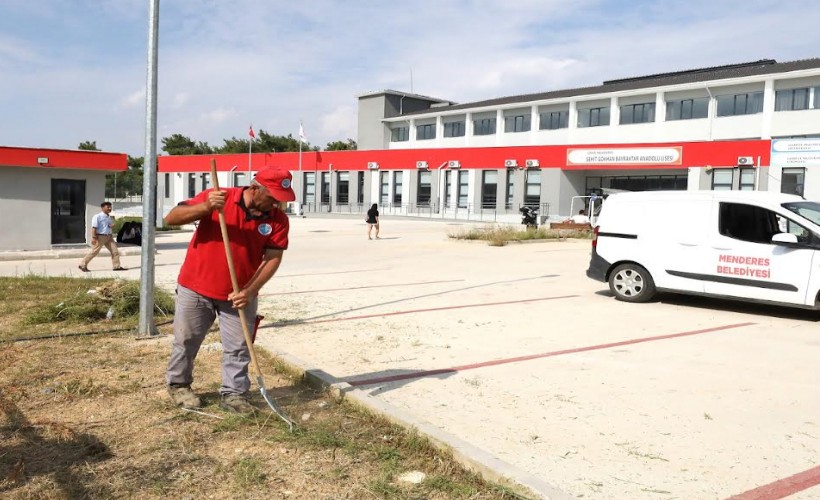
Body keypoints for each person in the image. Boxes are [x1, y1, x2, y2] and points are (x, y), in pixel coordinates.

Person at [164, 167, 295, 414]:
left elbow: (273, 258)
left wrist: (250, 290)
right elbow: (171, 218)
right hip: (196, 286)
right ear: (256, 189)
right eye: (273, 196)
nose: (277, 203)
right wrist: (206, 208)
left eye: (281, 197)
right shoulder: (220, 197)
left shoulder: (278, 220)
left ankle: (234, 394)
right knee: (186, 339)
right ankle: (179, 385)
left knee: (239, 345)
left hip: (239, 294)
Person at [79, 201, 127, 272]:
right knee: (94, 252)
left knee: (115, 251)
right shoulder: (97, 216)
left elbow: (108, 226)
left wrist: (111, 226)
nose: (110, 208)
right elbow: (94, 228)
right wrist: (94, 238)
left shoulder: (109, 217)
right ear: (102, 208)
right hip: (100, 237)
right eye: (108, 207)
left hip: (109, 237)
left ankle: (116, 266)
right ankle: (82, 265)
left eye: (110, 207)